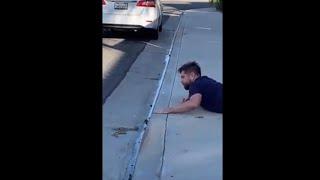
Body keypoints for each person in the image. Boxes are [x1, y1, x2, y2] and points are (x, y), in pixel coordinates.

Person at [155, 61, 222, 114]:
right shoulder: (204, 80)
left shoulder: (195, 85)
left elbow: (193, 104)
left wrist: (170, 109)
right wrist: (189, 100)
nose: (181, 81)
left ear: (192, 75)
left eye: (183, 77)